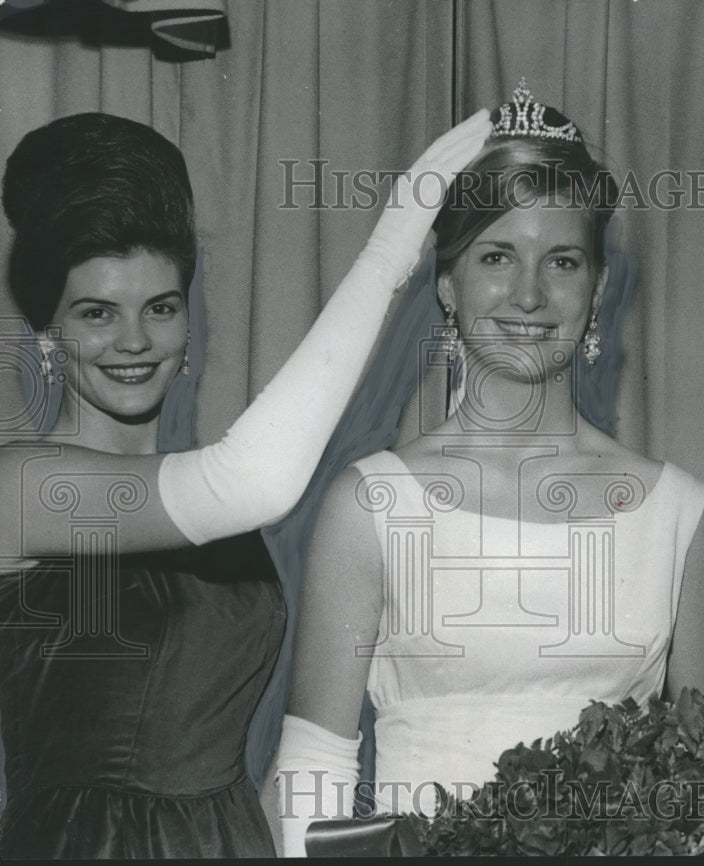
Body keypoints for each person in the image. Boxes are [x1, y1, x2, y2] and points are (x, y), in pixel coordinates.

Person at [0, 109, 490, 858]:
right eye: (96, 313)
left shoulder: (199, 497)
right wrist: (394, 244)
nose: (133, 341)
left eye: (160, 309)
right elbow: (257, 479)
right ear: (45, 333)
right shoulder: (22, 487)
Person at [276, 82, 704, 856]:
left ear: (598, 289)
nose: (528, 293)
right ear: (447, 286)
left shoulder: (678, 512)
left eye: (561, 261)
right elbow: (312, 773)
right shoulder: (372, 503)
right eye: (496, 256)